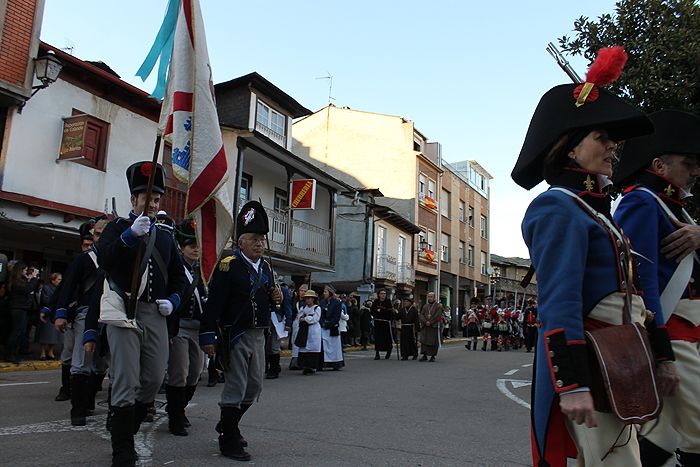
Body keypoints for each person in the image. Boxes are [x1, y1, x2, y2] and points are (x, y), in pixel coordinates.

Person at [513, 47, 675, 466]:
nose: (613, 149)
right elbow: (560, 301)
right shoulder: (557, 207)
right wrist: (572, 383)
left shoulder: (592, 211)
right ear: (570, 149)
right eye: (602, 139)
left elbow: (635, 293)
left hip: (622, 360)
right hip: (592, 362)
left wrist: (661, 355)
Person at [612, 110, 699, 467]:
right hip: (674, 335)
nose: (696, 171)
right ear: (660, 165)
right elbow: (639, 280)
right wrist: (659, 348)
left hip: (689, 333)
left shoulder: (673, 208)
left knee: (662, 436)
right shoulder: (641, 201)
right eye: (688, 163)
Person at [89, 161, 186, 466]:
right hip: (123, 309)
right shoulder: (118, 228)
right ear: (134, 199)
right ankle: (122, 448)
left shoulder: (167, 236)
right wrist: (129, 236)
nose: (152, 203)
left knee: (154, 377)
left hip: (154, 312)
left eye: (157, 199)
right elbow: (104, 260)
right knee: (127, 379)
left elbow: (179, 277)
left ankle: (126, 427)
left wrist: (173, 299)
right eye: (146, 198)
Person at [199, 200, 282, 462]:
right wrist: (208, 334)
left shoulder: (266, 268)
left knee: (254, 386)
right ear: (242, 241)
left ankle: (228, 424)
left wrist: (276, 297)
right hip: (235, 335)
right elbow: (215, 303)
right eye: (254, 238)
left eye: (262, 239)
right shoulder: (229, 264)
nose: (260, 244)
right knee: (235, 386)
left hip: (259, 334)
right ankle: (229, 438)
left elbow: (269, 302)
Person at [53, 219, 107, 426]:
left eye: (105, 233)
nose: (101, 237)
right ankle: (78, 408)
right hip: (85, 314)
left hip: (110, 315)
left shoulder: (116, 259)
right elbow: (67, 286)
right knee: (82, 359)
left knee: (101, 363)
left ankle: (89, 400)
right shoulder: (83, 260)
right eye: (98, 233)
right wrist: (60, 313)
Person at [165, 219, 206, 437]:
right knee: (179, 372)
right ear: (181, 247)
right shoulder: (176, 268)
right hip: (179, 326)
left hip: (197, 328)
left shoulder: (203, 272)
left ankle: (178, 408)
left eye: (198, 245)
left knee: (196, 372)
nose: (196, 249)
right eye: (191, 245)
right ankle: (175, 416)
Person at [5, 261, 39, 363]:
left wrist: (30, 279)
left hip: (22, 308)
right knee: (16, 332)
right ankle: (9, 354)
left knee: (19, 332)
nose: (25, 272)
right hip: (17, 308)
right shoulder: (15, 281)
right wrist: (33, 279)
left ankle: (14, 353)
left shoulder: (20, 280)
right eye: (24, 270)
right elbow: (27, 289)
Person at [265, 280, 292, 380]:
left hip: (276, 320)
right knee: (266, 346)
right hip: (265, 320)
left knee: (274, 346)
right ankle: (267, 366)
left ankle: (274, 369)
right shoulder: (264, 288)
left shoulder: (283, 290)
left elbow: (287, 307)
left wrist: (288, 322)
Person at [295, 289, 322, 375]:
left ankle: (312, 367)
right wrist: (304, 318)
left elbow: (315, 319)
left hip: (313, 330)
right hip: (304, 330)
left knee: (313, 348)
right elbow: (299, 317)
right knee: (304, 348)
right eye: (306, 298)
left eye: (310, 298)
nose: (308, 300)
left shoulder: (317, 308)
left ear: (313, 299)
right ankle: (305, 366)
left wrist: (306, 318)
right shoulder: (303, 308)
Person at [319, 285, 344, 370]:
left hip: (332, 327)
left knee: (334, 347)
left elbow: (336, 317)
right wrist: (322, 323)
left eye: (325, 292)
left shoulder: (337, 303)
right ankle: (323, 363)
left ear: (330, 293)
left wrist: (328, 324)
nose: (324, 293)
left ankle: (335, 363)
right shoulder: (322, 302)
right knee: (323, 346)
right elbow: (320, 314)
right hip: (323, 327)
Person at [38, 272, 62, 360]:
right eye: (58, 279)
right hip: (48, 313)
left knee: (54, 335)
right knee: (45, 334)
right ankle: (43, 352)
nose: (60, 281)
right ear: (53, 280)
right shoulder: (46, 288)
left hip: (55, 313)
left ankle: (50, 351)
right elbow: (45, 300)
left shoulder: (60, 289)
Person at [370, 289, 395, 360]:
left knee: (387, 338)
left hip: (386, 323)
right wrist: (380, 312)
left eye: (384, 293)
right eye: (381, 293)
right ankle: (377, 353)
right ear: (379, 294)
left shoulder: (388, 302)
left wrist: (380, 311)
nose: (383, 295)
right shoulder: (376, 302)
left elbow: (389, 312)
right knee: (377, 338)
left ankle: (388, 351)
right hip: (378, 323)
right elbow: (373, 311)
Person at [289, 283, 308, 370]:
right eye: (301, 291)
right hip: (295, 322)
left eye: (304, 291)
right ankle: (294, 361)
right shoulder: (295, 301)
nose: (302, 293)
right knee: (294, 341)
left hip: (303, 323)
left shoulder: (307, 303)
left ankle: (301, 362)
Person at [419, 292, 442, 362]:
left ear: (434, 297)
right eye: (428, 297)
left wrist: (430, 322)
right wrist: (425, 321)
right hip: (425, 326)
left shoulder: (438, 306)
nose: (429, 298)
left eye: (431, 297)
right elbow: (421, 314)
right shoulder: (425, 306)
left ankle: (433, 356)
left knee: (433, 341)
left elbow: (437, 315)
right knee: (424, 341)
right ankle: (424, 355)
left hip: (433, 326)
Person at [398, 296, 419, 360]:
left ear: (410, 303)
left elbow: (416, 320)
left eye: (407, 301)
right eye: (404, 301)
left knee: (411, 342)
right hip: (404, 327)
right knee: (403, 342)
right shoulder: (402, 310)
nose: (405, 303)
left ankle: (414, 353)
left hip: (411, 328)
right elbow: (397, 317)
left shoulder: (414, 310)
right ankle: (405, 355)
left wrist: (417, 329)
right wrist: (394, 313)